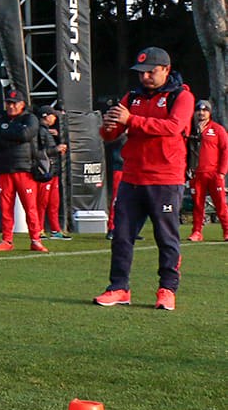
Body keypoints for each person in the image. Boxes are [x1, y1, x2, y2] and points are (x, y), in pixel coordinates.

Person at [95, 47, 192, 309]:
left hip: (165, 179)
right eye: (141, 72)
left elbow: (174, 128)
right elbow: (110, 135)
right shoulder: (133, 97)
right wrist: (108, 125)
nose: (145, 77)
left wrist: (132, 120)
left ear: (166, 70)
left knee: (166, 237)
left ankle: (167, 289)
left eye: (151, 71)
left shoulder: (181, 96)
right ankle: (118, 288)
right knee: (121, 236)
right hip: (132, 177)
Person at [0, 89, 48, 253]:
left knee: (30, 207)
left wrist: (6, 132)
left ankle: (35, 239)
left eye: (14, 103)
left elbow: (25, 134)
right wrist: (12, 134)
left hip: (25, 169)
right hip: (5, 169)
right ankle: (7, 240)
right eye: (8, 103)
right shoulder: (0, 119)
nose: (10, 106)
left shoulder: (30, 118)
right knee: (6, 207)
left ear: (22, 104)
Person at [187, 99, 226, 243]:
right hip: (196, 174)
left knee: (220, 203)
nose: (201, 113)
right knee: (197, 204)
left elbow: (225, 150)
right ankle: (197, 232)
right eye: (199, 110)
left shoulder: (217, 129)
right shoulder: (190, 129)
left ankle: (227, 231)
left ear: (209, 113)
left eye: (205, 110)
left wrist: (221, 172)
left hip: (214, 173)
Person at [37, 105, 69, 238]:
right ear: (46, 116)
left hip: (52, 171)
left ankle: (55, 229)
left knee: (53, 202)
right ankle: (39, 229)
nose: (55, 118)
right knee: (42, 202)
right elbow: (38, 152)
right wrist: (56, 149)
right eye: (52, 115)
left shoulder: (46, 131)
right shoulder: (40, 131)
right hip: (45, 171)